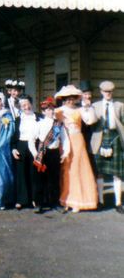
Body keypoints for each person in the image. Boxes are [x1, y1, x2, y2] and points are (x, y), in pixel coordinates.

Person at [55, 85, 98, 213]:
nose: (70, 101)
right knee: (66, 169)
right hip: (65, 140)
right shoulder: (59, 111)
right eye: (67, 98)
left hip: (78, 140)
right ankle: (65, 198)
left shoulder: (80, 110)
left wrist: (88, 107)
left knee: (77, 168)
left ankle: (78, 200)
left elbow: (90, 121)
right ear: (63, 99)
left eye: (72, 98)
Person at [91, 81, 124, 213]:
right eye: (105, 92)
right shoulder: (95, 106)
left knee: (117, 174)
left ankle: (118, 203)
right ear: (101, 92)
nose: (108, 94)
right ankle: (100, 201)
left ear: (112, 92)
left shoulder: (120, 106)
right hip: (100, 139)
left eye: (110, 92)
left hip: (115, 138)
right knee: (99, 172)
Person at [28, 96, 62, 213]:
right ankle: (38, 203)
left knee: (54, 179)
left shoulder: (58, 124)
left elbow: (64, 139)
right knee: (40, 179)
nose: (50, 111)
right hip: (43, 153)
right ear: (43, 111)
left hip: (55, 153)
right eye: (47, 109)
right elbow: (31, 140)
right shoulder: (39, 124)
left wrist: (65, 152)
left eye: (52, 109)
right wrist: (35, 153)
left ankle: (54, 202)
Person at [11, 94, 38, 210]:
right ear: (20, 107)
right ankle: (21, 200)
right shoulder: (18, 119)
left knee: (34, 173)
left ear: (31, 104)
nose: (26, 107)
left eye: (27, 104)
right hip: (21, 146)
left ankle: (34, 199)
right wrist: (13, 148)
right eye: (23, 105)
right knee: (20, 173)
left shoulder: (38, 117)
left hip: (34, 146)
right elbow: (14, 136)